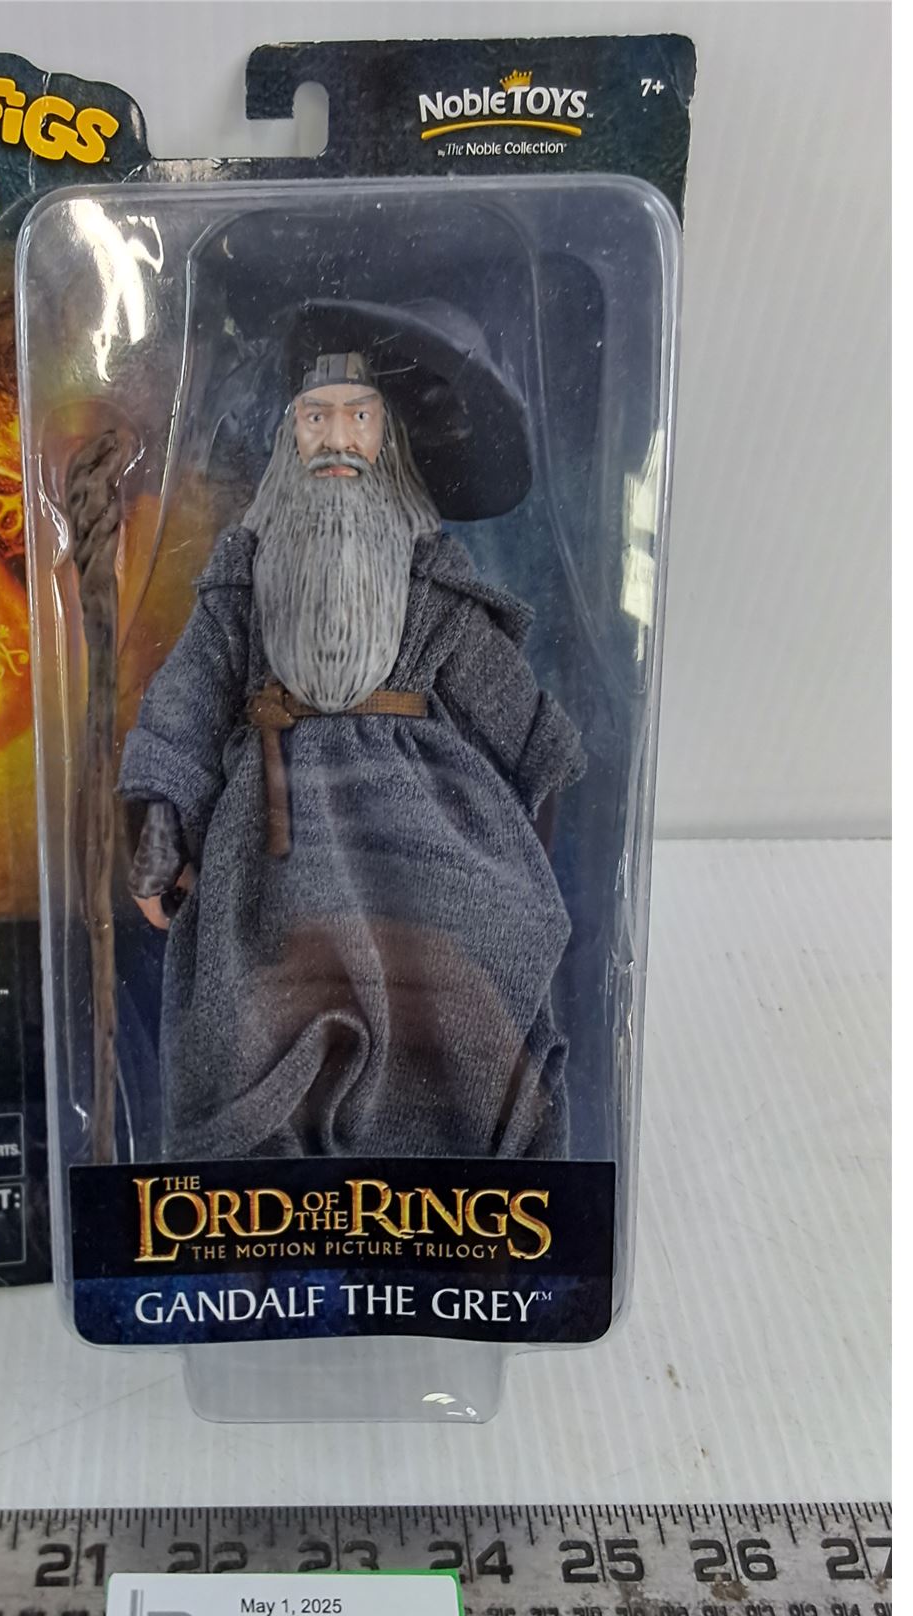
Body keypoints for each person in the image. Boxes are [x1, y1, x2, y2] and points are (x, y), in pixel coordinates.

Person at [117, 310, 585, 1161]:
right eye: (316, 415)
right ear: (289, 433)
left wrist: (533, 824)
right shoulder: (245, 580)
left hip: (428, 830)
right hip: (275, 837)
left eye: (358, 416)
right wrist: (158, 823)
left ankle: (445, 1157)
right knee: (253, 1006)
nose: (336, 438)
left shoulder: (430, 580)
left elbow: (514, 714)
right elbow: (188, 697)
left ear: (388, 438)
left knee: (465, 969)